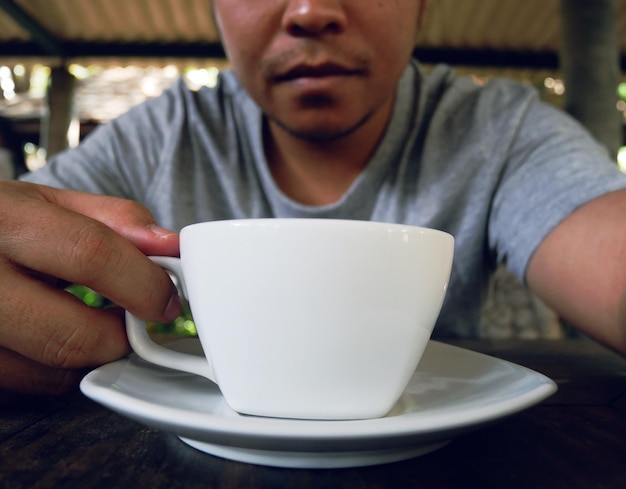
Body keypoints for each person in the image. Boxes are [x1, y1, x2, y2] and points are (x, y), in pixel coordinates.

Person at [2, 0, 626, 398]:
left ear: (423, 6)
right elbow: (35, 219)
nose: (310, 11)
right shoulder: (162, 135)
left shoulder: (501, 131)